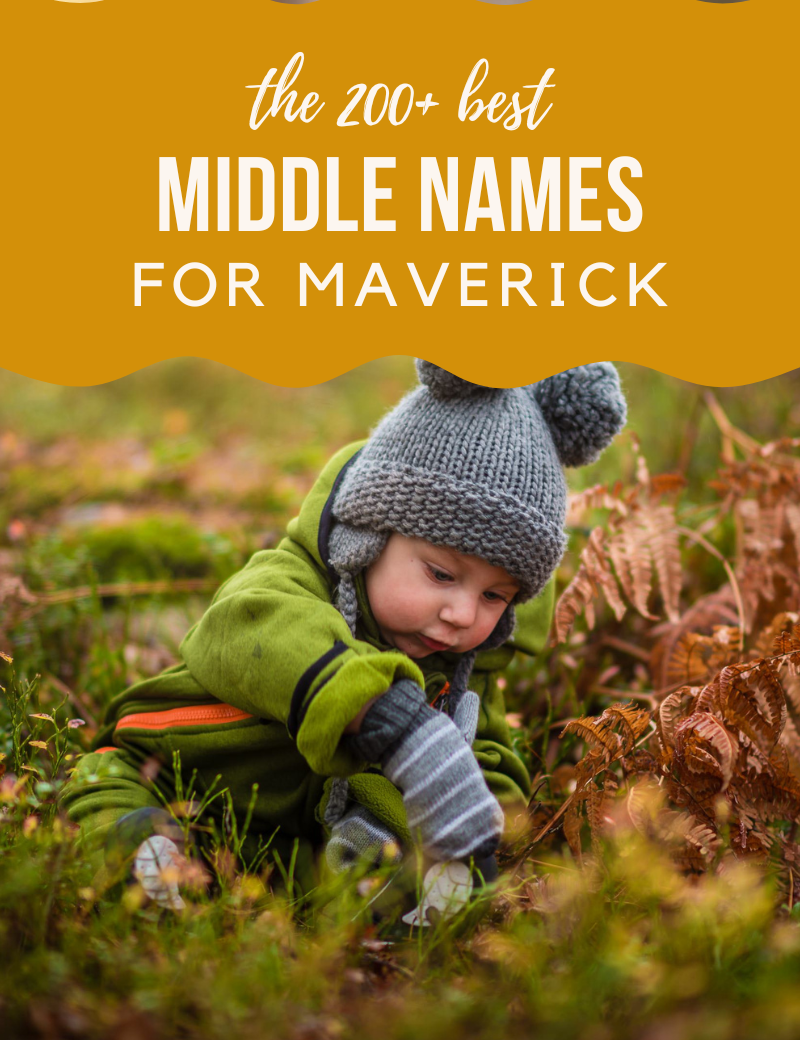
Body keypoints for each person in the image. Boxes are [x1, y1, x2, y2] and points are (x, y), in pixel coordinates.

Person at [61, 360, 626, 910]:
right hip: (171, 770)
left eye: (494, 596)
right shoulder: (288, 584)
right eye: (441, 574)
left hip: (291, 847)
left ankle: (349, 905)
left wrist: (463, 832)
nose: (461, 613)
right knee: (108, 789)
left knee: (409, 874)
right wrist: (390, 720)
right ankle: (141, 854)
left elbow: (489, 763)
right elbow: (247, 627)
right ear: (368, 536)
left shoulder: (461, 668)